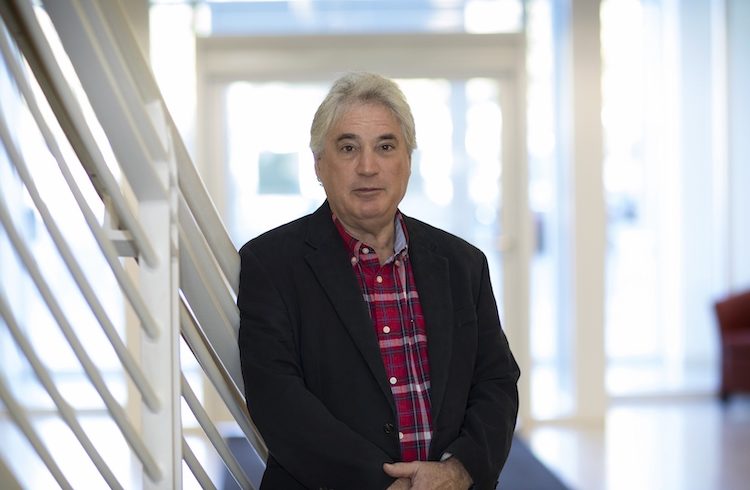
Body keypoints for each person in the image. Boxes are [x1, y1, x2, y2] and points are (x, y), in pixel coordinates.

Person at [237, 72, 520, 490]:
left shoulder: (463, 264)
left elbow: (496, 381)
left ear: (408, 160)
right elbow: (278, 400)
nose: (367, 167)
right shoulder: (270, 264)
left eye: (385, 147)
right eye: (348, 148)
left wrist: (460, 471)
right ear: (319, 164)